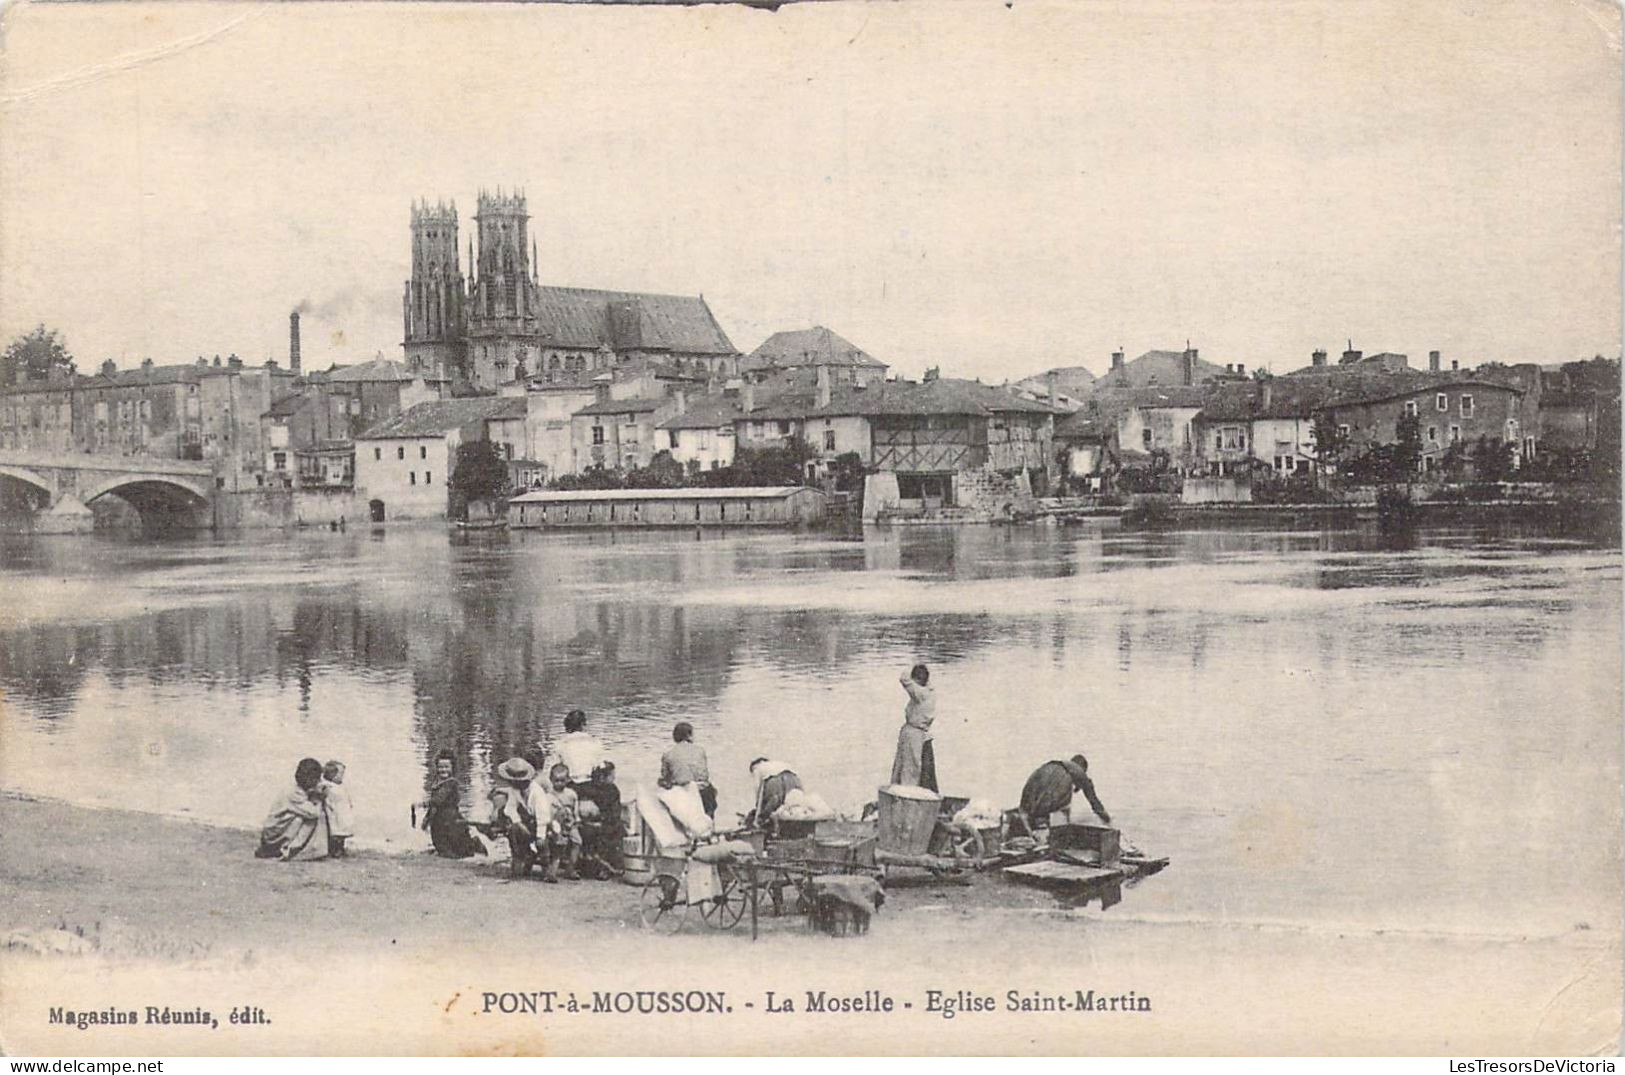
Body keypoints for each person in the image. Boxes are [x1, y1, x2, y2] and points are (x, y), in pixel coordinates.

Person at [1015, 754, 1111, 836]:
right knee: (1054, 812)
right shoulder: (1077, 770)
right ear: (1083, 767)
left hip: (1035, 778)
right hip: (1053, 788)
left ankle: (1030, 832)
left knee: (1028, 812)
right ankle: (1043, 832)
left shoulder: (1056, 765)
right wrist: (1106, 818)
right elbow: (1093, 800)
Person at [256, 757, 330, 861]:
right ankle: (287, 850)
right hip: (273, 835)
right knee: (307, 818)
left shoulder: (296, 788)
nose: (318, 781)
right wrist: (319, 798)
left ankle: (289, 848)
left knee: (302, 817)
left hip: (274, 832)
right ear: (308, 778)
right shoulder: (293, 793)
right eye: (316, 778)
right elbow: (313, 813)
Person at [419, 749, 488, 859]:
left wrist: (423, 804)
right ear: (436, 768)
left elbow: (438, 799)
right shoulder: (436, 783)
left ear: (452, 768)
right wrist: (427, 819)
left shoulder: (452, 783)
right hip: (438, 820)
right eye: (440, 767)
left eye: (446, 767)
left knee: (457, 847)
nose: (443, 770)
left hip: (450, 819)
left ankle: (474, 844)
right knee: (440, 845)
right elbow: (434, 805)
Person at [491, 756, 550, 878]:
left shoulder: (536, 792)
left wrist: (540, 835)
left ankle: (546, 868)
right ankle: (521, 857)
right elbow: (510, 808)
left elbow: (542, 815)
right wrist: (518, 823)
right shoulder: (515, 790)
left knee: (541, 844)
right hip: (527, 821)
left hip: (542, 822)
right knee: (513, 831)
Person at [889, 663, 938, 791]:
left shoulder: (921, 694)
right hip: (918, 732)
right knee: (906, 764)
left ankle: (905, 793)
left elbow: (904, 679)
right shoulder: (929, 691)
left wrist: (910, 666)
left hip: (914, 733)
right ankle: (901, 790)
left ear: (918, 680)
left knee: (909, 767)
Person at [575, 762, 625, 879]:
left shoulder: (612, 790)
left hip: (601, 822)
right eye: (611, 775)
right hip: (590, 823)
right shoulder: (586, 788)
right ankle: (600, 866)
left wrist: (600, 820)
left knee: (614, 830)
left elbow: (614, 813)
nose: (614, 778)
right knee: (612, 830)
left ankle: (602, 866)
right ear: (602, 777)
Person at [659, 722, 716, 818]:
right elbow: (704, 774)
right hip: (702, 791)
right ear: (689, 735)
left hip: (683, 792)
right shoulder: (700, 750)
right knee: (711, 790)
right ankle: (709, 820)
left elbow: (666, 777)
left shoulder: (668, 754)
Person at [542, 763, 582, 882]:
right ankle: (551, 872)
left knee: (577, 842)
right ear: (551, 780)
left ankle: (570, 868)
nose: (559, 783)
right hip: (556, 825)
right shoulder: (548, 796)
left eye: (562, 780)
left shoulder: (571, 794)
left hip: (570, 823)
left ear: (568, 780)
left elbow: (575, 810)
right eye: (556, 781)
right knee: (558, 846)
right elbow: (547, 814)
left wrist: (576, 822)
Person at [553, 710, 606, 790]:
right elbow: (602, 767)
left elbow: (554, 769)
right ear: (583, 725)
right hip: (590, 785)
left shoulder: (560, 744)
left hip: (569, 785)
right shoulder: (595, 742)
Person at [746, 758, 803, 828]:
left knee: (772, 804)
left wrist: (758, 811)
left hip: (775, 780)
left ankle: (766, 827)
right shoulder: (777, 763)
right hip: (795, 779)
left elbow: (757, 788)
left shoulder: (757, 767)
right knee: (790, 807)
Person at [321, 759, 354, 858]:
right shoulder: (328, 786)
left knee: (343, 831)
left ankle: (340, 848)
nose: (342, 776)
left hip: (343, 812)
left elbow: (346, 797)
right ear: (332, 774)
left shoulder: (341, 786)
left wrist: (350, 804)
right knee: (335, 832)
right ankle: (334, 850)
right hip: (334, 812)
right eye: (340, 774)